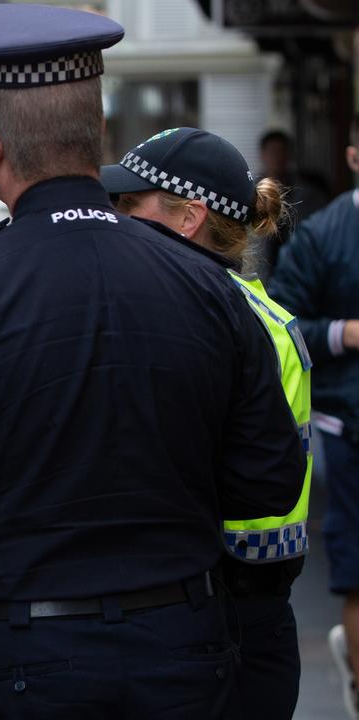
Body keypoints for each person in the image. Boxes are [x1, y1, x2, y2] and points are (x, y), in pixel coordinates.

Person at [0, 5, 306, 719]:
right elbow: (268, 483)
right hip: (182, 652)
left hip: (17, 662)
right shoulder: (207, 286)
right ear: (98, 133)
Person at [101, 126, 309, 720]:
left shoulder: (213, 319)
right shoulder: (260, 313)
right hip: (245, 606)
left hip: (228, 610)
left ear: (189, 217)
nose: (117, 217)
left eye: (130, 204)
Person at [269, 113, 359, 719]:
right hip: (349, 426)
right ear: (352, 157)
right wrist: (345, 333)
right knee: (356, 572)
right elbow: (285, 322)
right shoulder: (325, 234)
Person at [254, 130, 329, 279]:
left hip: (300, 272)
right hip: (260, 273)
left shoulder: (308, 195)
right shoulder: (250, 192)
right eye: (272, 151)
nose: (277, 157)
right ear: (263, 155)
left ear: (289, 155)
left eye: (281, 151)